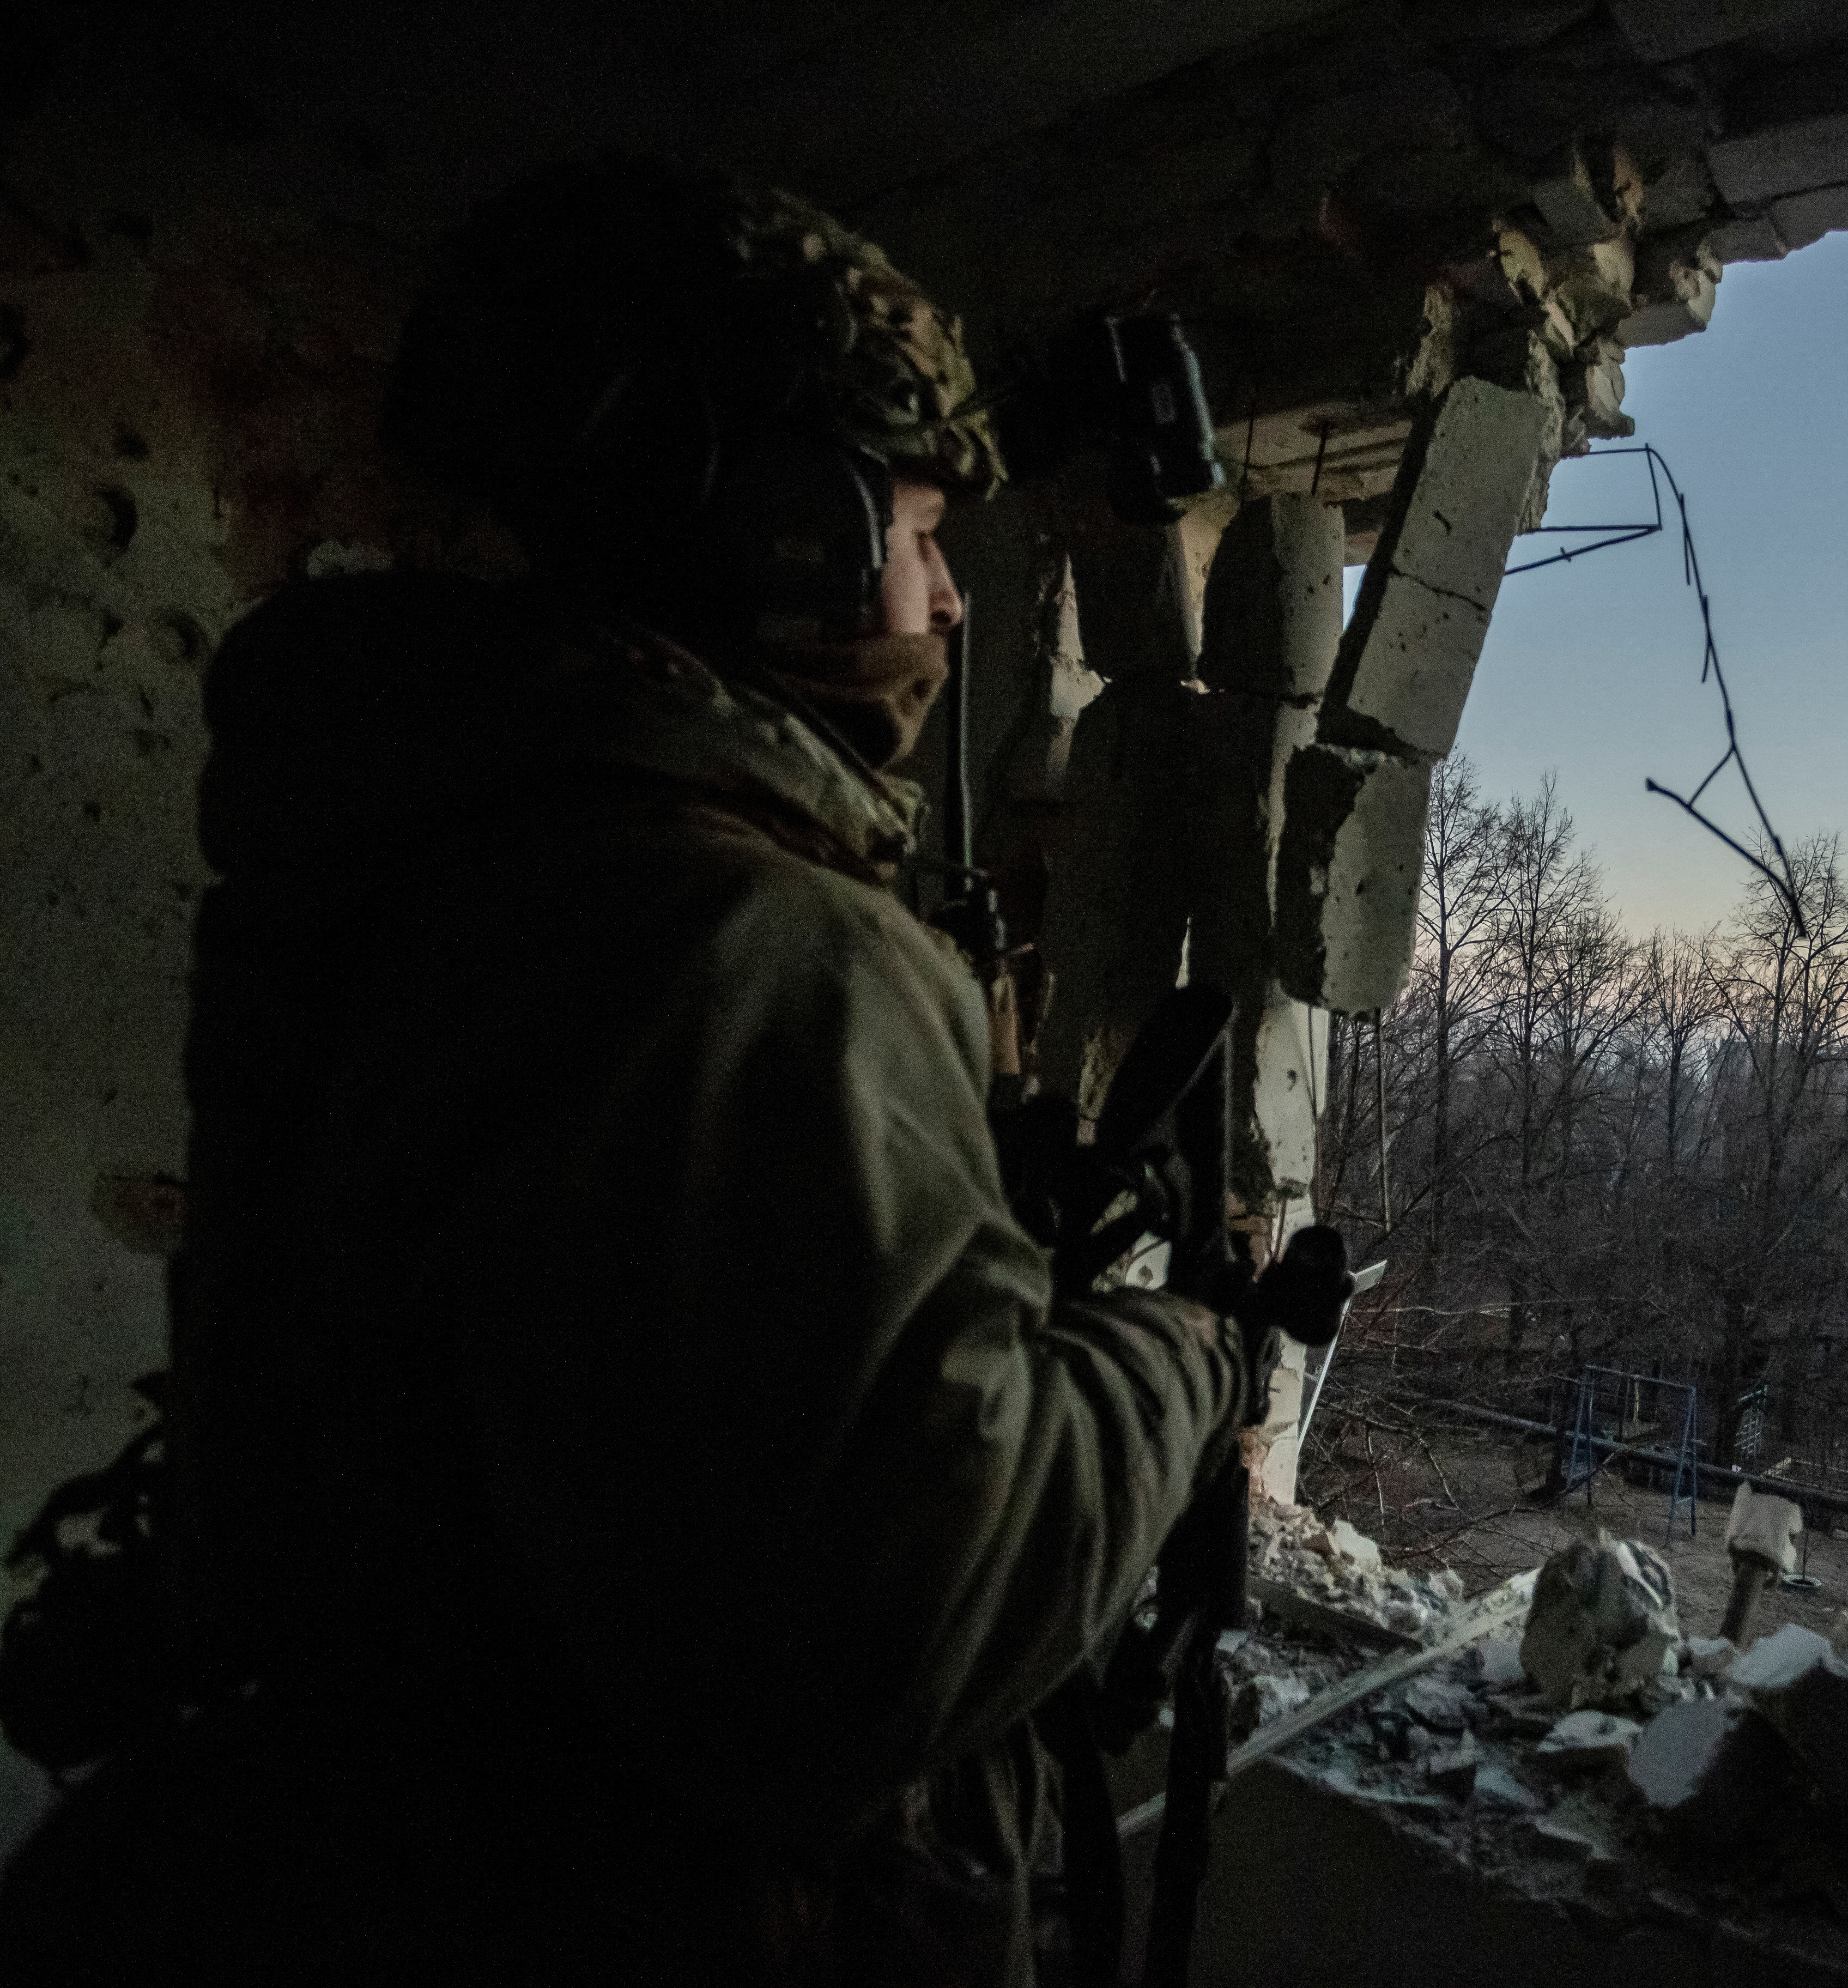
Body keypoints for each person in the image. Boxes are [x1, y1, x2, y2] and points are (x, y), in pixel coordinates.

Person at [0, 159, 1245, 1987]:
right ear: (789, 531)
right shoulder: (748, 942)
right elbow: (909, 1620)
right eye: (921, 533)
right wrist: (1184, 1357)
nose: (949, 602)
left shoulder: (416, 840)